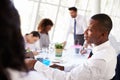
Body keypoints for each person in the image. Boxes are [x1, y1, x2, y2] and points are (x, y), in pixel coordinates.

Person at [26, 13, 117, 80]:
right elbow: (85, 65)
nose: (84, 32)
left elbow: (68, 78)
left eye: (90, 30)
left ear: (103, 34)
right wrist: (63, 67)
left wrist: (34, 64)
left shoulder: (100, 60)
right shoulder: (107, 50)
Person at [0, 0, 47, 80]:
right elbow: (23, 54)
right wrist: (32, 53)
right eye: (35, 40)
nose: (34, 42)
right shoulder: (15, 42)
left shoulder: (26, 43)